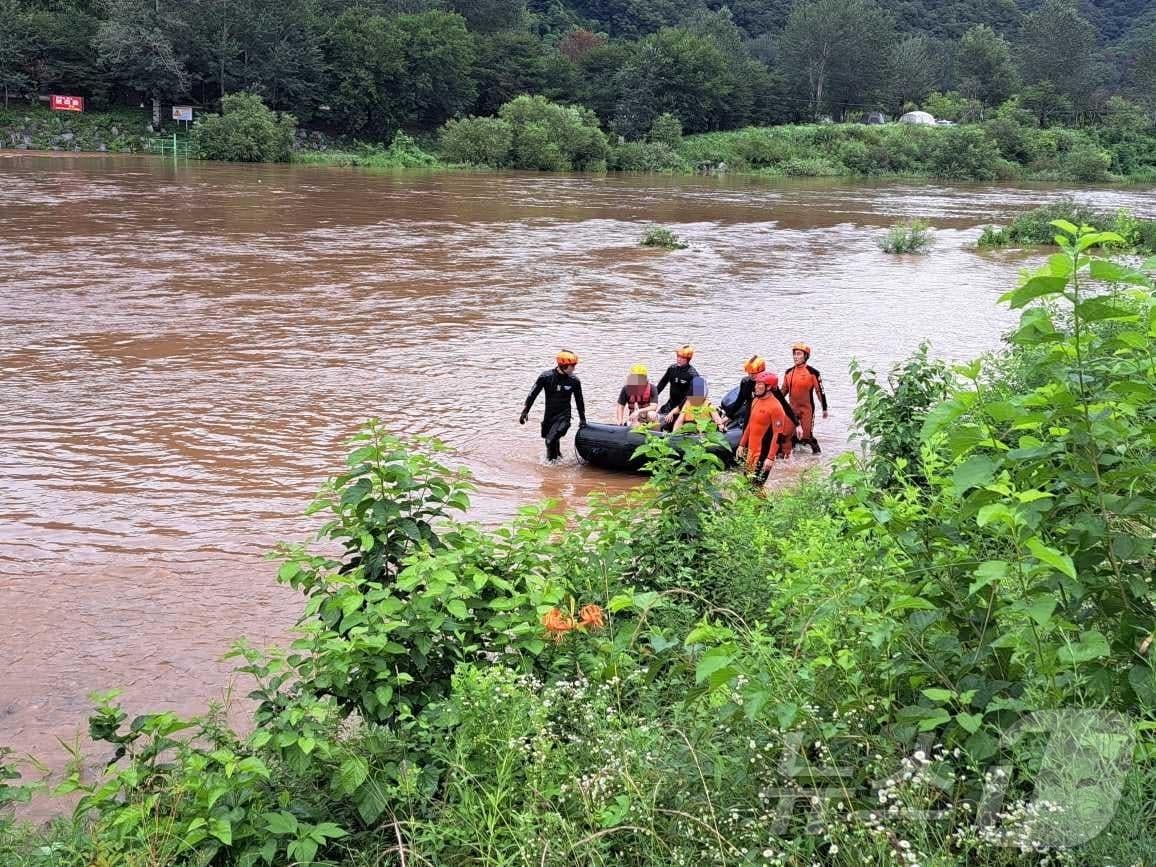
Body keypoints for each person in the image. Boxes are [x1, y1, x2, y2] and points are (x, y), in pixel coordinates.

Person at [520, 350, 587, 462]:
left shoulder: (574, 381)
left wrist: (582, 419)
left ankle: (550, 468)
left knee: (550, 441)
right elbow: (533, 394)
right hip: (549, 416)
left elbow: (579, 401)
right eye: (572, 366)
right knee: (552, 441)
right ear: (563, 365)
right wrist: (525, 412)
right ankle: (557, 465)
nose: (574, 368)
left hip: (564, 417)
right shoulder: (545, 377)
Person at [736, 372, 796, 483]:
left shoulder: (776, 407)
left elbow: (778, 435)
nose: (756, 387)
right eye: (756, 384)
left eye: (760, 384)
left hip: (763, 454)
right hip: (751, 452)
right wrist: (741, 444)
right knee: (745, 484)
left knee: (756, 486)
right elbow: (750, 424)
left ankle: (769, 500)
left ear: (769, 387)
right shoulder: (755, 400)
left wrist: (770, 458)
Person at [782, 341, 828, 454]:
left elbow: (819, 391)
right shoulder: (788, 372)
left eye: (799, 354)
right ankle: (789, 461)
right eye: (794, 354)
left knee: (806, 436)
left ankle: (817, 456)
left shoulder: (813, 373)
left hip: (806, 410)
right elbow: (783, 391)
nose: (795, 357)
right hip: (791, 409)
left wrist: (824, 408)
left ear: (806, 356)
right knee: (788, 436)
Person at [722, 354, 766, 428]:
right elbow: (740, 401)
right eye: (749, 373)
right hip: (749, 412)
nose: (751, 375)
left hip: (762, 414)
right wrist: (728, 416)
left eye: (754, 373)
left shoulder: (768, 384)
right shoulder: (745, 382)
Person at [655, 344, 699, 417]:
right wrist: (652, 400)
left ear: (688, 359)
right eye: (678, 356)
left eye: (682, 357)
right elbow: (661, 385)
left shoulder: (693, 375)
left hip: (684, 407)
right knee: (655, 418)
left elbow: (693, 397)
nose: (679, 359)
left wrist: (678, 409)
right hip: (671, 404)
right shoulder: (672, 369)